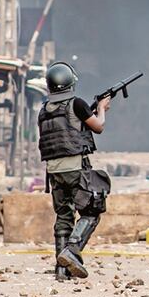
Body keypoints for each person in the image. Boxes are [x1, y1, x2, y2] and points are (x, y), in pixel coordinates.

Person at [39, 61, 111, 280]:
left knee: (64, 216)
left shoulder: (44, 109)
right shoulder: (77, 104)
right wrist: (101, 109)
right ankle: (71, 250)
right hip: (75, 168)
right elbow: (98, 127)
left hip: (53, 171)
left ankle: (61, 270)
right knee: (92, 211)